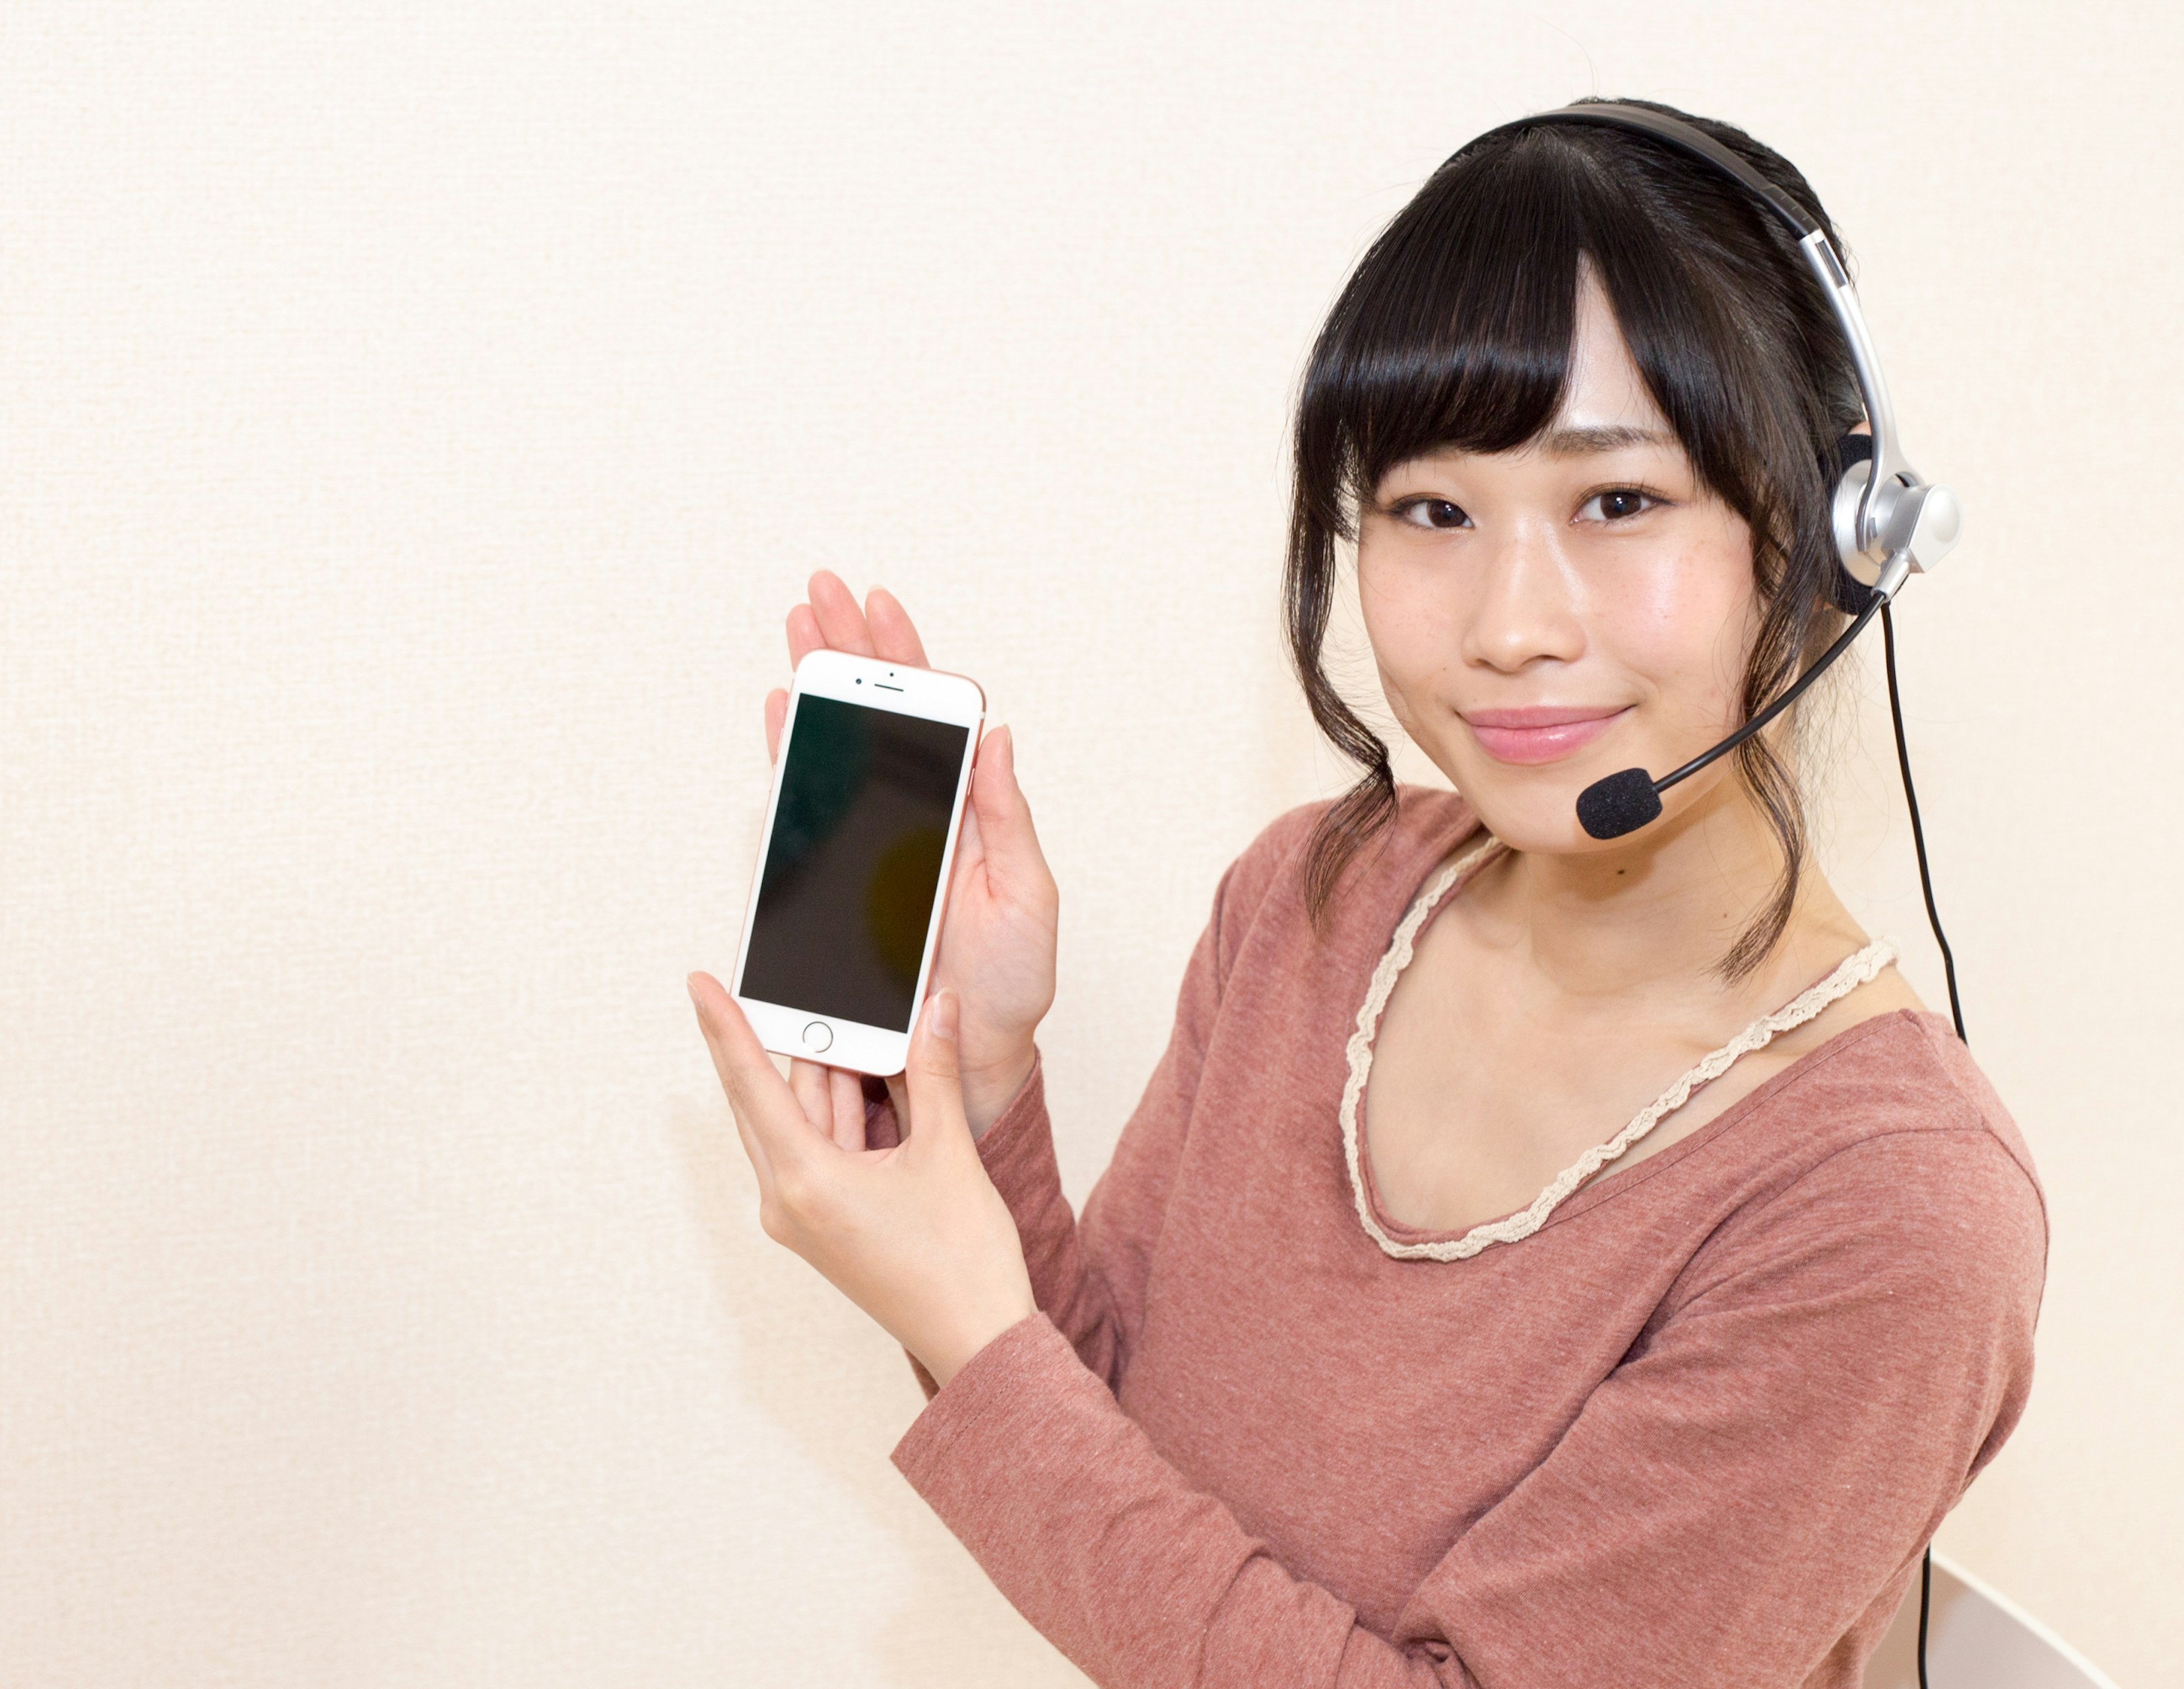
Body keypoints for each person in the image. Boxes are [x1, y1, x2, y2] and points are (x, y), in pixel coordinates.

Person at [686, 98, 2045, 1689]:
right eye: (1431, 510)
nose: (1509, 623)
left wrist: (977, 1340)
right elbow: (1108, 1446)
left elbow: (1033, 1415)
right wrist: (984, 1089)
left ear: (1831, 540)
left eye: (1617, 502)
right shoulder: (1314, 902)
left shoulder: (1891, 1217)